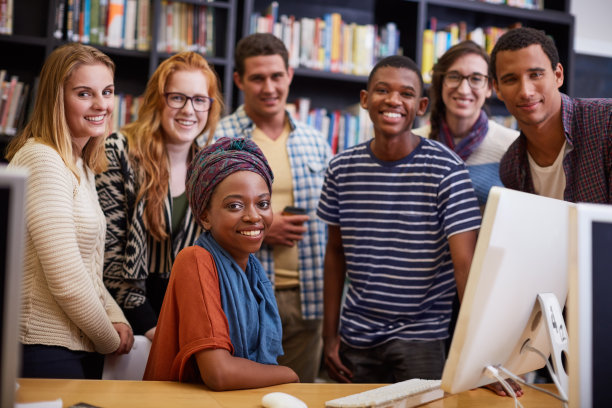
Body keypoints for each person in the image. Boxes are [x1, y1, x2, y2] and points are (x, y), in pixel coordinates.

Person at [317, 55, 481, 384]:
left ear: (421, 106)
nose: (393, 100)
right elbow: (335, 254)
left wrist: (478, 352)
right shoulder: (340, 169)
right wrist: (329, 335)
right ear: (365, 100)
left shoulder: (447, 169)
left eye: (406, 93)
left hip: (422, 338)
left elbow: (466, 266)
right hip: (356, 338)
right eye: (382, 90)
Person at [5, 42, 133, 379]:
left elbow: (87, 267)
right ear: (56, 97)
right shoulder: (43, 159)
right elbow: (67, 280)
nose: (101, 104)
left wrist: (115, 315)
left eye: (107, 92)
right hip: (42, 351)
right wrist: (108, 338)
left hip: (75, 347)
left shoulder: (80, 163)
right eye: (84, 93)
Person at [210, 33, 332, 382]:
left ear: (289, 75)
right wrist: (263, 228)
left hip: (309, 295)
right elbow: (201, 217)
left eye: (276, 76)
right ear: (238, 80)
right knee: (243, 396)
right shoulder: (221, 139)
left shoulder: (314, 140)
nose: (269, 87)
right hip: (243, 292)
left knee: (299, 393)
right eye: (257, 78)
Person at [144, 137, 299, 390]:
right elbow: (219, 373)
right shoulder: (195, 260)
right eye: (235, 205)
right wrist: (290, 374)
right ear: (204, 216)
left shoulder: (253, 272)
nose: (253, 216)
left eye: (263, 203)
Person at [96, 51, 224, 340]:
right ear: (158, 100)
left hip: (186, 316)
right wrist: (154, 329)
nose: (189, 110)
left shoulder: (210, 166)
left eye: (199, 99)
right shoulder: (118, 151)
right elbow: (109, 253)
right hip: (123, 322)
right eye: (177, 97)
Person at [491, 27, 611, 203]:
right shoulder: (511, 166)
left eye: (536, 75)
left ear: (558, 75)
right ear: (497, 89)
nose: (526, 91)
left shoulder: (606, 123)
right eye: (511, 79)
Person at [413, 40, 519, 207]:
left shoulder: (513, 147)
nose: (463, 89)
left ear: (489, 87)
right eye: (454, 77)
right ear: (441, 83)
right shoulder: (411, 143)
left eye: (476, 79)